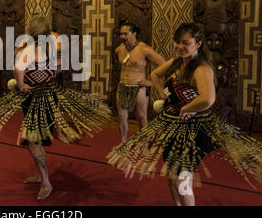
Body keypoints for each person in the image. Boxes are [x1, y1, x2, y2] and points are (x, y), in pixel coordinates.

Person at [107, 23, 262, 206]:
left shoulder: (202, 69)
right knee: (171, 174)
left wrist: (185, 108)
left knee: (181, 179)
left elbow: (208, 99)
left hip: (194, 130)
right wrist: (165, 95)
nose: (180, 46)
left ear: (198, 44)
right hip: (175, 127)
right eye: (177, 42)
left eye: (185, 43)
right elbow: (156, 75)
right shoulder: (177, 63)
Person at [0, 15, 112, 200]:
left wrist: (22, 85)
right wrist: (44, 75)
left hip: (35, 97)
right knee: (36, 139)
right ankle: (40, 175)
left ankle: (46, 182)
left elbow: (18, 69)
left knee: (33, 141)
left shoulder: (29, 50)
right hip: (47, 94)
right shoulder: (53, 48)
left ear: (31, 30)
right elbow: (60, 68)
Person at [115, 21, 165, 142]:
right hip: (123, 85)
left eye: (125, 34)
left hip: (140, 86)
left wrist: (151, 83)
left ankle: (143, 145)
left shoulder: (144, 49)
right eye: (121, 34)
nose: (122, 37)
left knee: (141, 117)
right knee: (122, 116)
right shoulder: (119, 50)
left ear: (134, 33)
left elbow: (163, 64)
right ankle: (123, 143)